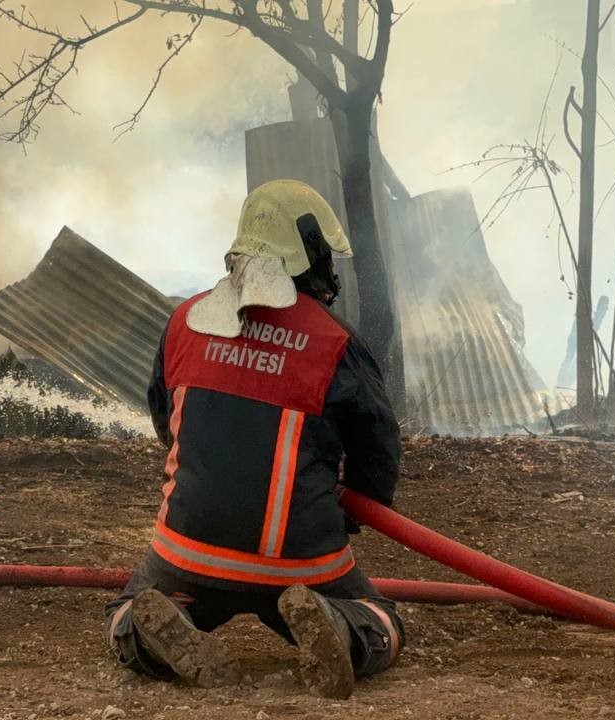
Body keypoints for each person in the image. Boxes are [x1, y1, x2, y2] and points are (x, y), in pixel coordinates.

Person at [104, 179, 404, 699]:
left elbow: (165, 421)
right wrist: (352, 511)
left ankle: (155, 633)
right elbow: (378, 447)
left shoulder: (185, 322)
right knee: (383, 617)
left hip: (191, 552)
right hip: (303, 561)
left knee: (125, 612)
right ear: (308, 252)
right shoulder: (336, 342)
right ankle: (342, 627)